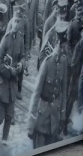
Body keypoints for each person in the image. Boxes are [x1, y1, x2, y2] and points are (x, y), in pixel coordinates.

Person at [29, 20, 71, 148]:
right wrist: (31, 122)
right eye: (63, 46)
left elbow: (63, 92)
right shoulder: (47, 63)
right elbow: (36, 94)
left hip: (55, 118)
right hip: (42, 117)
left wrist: (63, 117)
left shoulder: (64, 62)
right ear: (58, 43)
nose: (64, 49)